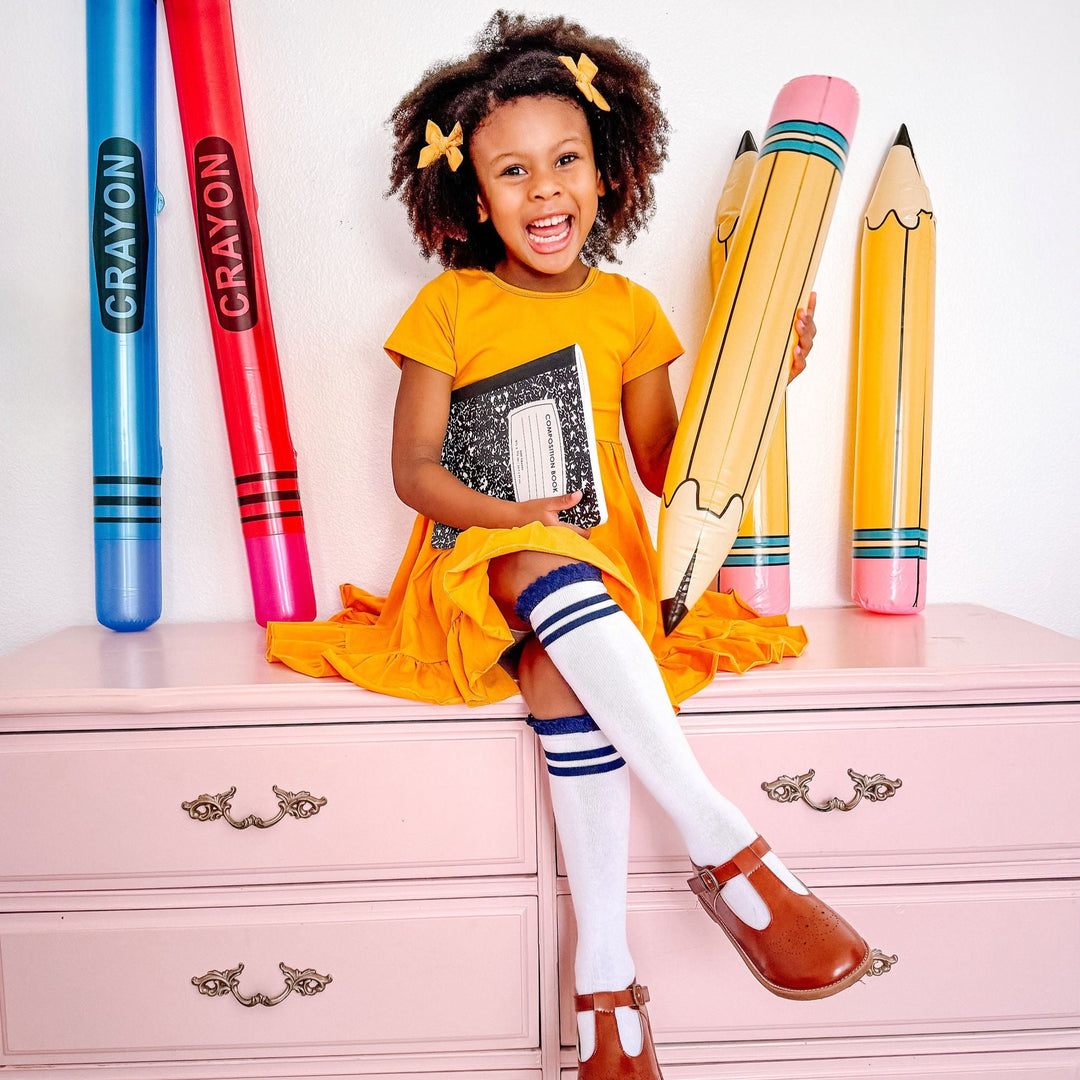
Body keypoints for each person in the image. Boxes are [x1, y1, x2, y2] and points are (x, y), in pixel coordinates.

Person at [268, 12, 872, 1079]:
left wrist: (762, 381)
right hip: (472, 561)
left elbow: (659, 464)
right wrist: (509, 515)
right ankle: (733, 850)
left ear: (608, 172)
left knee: (559, 667)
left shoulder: (631, 310)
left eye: (566, 162)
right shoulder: (449, 306)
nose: (544, 190)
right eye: (512, 171)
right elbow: (412, 472)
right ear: (471, 194)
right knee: (539, 565)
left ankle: (605, 980)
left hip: (590, 584)